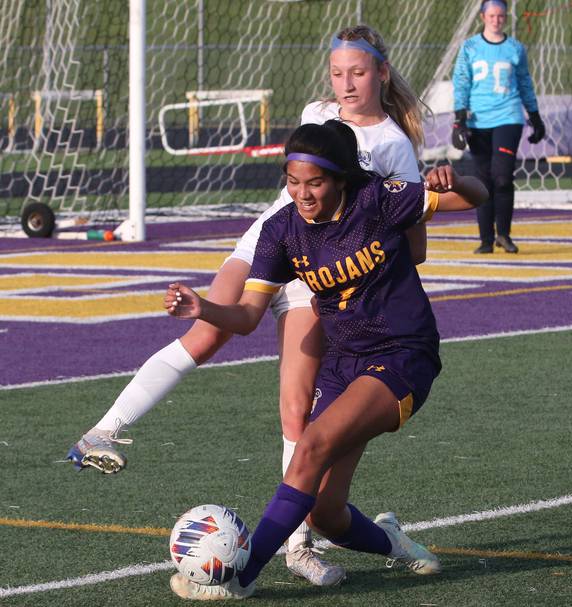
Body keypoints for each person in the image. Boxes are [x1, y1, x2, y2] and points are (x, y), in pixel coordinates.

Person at [66, 25, 429, 587]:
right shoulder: (318, 111)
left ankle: (298, 545)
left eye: (358, 71)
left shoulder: (394, 144)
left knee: (295, 409)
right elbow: (294, 198)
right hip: (267, 243)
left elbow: (412, 235)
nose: (346, 82)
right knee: (206, 329)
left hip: (316, 275)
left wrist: (369, 268)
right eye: (337, 72)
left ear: (382, 73)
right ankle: (105, 429)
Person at [164, 119, 488, 600]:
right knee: (325, 513)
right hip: (342, 362)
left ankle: (241, 577)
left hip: (402, 355)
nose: (303, 193)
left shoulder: (379, 199)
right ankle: (396, 543)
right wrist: (202, 308)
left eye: (314, 183)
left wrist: (454, 181)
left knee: (310, 446)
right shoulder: (282, 231)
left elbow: (476, 195)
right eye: (293, 182)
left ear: (339, 179)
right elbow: (249, 316)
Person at [451, 0, 546, 255]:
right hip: (478, 121)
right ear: (483, 17)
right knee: (483, 180)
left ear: (505, 17)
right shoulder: (470, 47)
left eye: (501, 15)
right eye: (492, 15)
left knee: (502, 177)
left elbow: (525, 83)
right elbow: (461, 81)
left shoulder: (515, 48)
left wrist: (535, 117)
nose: (496, 20)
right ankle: (485, 239)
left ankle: (504, 234)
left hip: (509, 116)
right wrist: (459, 119)